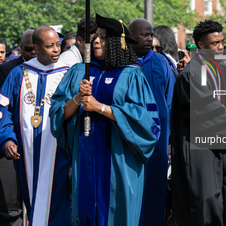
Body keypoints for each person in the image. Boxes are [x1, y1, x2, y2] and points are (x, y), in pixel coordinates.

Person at [50, 13, 160, 226]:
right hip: (86, 157)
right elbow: (58, 112)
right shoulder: (79, 71)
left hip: (119, 160)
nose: (96, 41)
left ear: (117, 43)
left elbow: (147, 122)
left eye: (102, 37)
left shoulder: (131, 75)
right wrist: (78, 98)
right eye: (95, 36)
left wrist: (100, 108)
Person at [171, 20, 226, 226]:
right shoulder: (191, 75)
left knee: (225, 201)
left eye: (221, 42)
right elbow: (204, 113)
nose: (220, 47)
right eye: (214, 43)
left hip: (220, 144)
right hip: (199, 148)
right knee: (205, 204)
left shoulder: (219, 70)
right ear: (200, 45)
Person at [0, 26, 71, 226]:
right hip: (25, 153)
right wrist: (7, 138)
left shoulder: (67, 74)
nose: (56, 49)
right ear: (37, 48)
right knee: (33, 198)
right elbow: (3, 111)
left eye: (58, 45)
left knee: (55, 199)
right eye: (50, 46)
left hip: (58, 152)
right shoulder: (18, 74)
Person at [129, 18, 176, 226]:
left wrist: (168, 138)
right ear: (131, 36)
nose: (149, 39)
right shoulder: (122, 62)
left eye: (150, 34)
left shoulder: (161, 63)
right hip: (128, 140)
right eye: (144, 35)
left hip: (157, 141)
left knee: (155, 192)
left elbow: (170, 102)